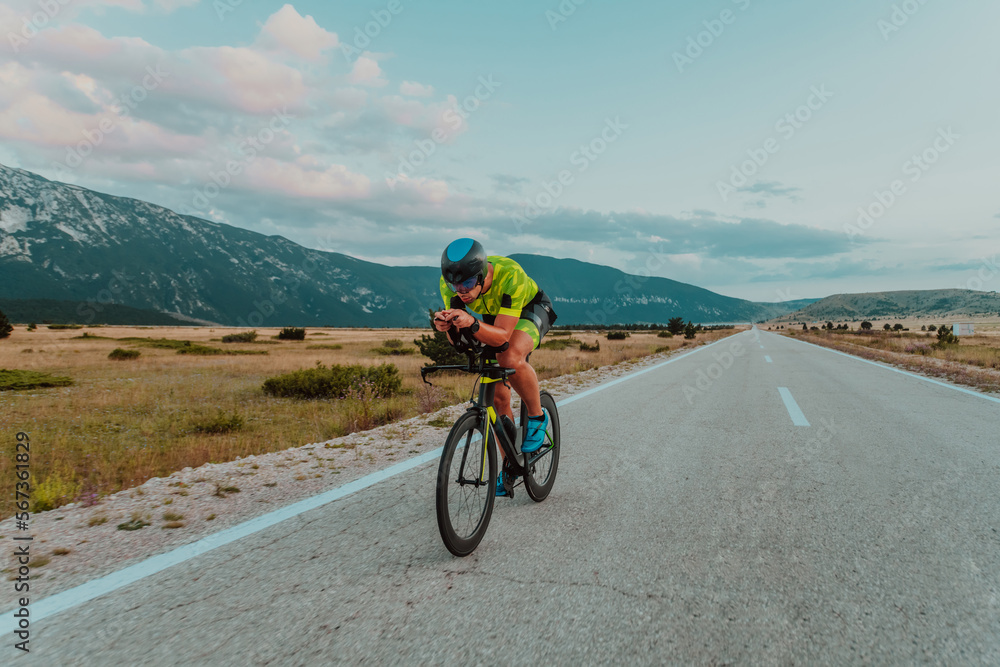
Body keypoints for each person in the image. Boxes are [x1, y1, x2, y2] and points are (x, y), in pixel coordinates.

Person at [433, 238, 557, 496]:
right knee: (498, 397)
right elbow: (457, 339)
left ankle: (537, 417)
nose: (461, 291)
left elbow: (501, 337)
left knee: (510, 357)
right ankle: (510, 463)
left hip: (531, 308)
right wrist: (447, 326)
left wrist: (472, 324)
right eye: (454, 285)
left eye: (467, 283)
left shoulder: (509, 274)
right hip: (495, 316)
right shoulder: (453, 288)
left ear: (481, 275)